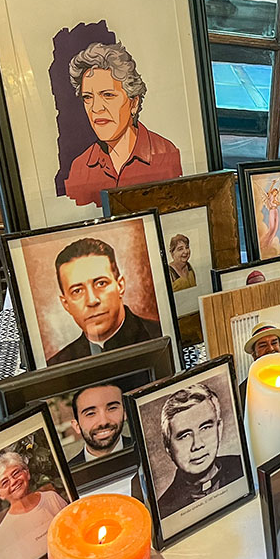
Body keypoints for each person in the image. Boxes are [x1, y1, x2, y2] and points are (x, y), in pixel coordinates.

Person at [63, 42, 182, 208]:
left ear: (133, 103)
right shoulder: (80, 167)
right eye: (88, 97)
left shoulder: (165, 153)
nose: (96, 108)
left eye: (108, 95)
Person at [48, 238, 162, 365]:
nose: (92, 300)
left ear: (120, 286)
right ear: (66, 304)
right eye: (77, 291)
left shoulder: (160, 334)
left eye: (101, 283)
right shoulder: (57, 365)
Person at [156, 384, 244, 519]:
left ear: (219, 429)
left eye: (205, 428)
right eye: (184, 436)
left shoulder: (244, 467)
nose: (197, 445)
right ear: (169, 448)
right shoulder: (164, 511)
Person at [0, 451, 68, 559]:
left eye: (16, 473)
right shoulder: (3, 534)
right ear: (0, 495)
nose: (13, 481)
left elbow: (73, 529)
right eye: (5, 482)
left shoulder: (52, 498)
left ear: (27, 473)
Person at [67, 383, 132, 467]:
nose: (103, 422)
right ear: (77, 426)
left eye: (112, 408)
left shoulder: (147, 450)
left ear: (124, 413)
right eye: (90, 413)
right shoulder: (67, 475)